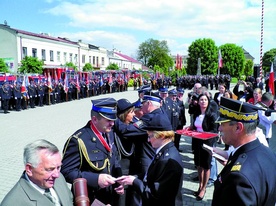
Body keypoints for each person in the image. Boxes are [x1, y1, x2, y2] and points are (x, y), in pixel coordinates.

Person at [212, 97, 276, 206]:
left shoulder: (239, 178)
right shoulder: (269, 154)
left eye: (222, 124)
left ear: (238, 127)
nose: (219, 129)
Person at [61, 97, 122, 205]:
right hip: (90, 198)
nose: (112, 124)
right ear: (94, 119)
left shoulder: (109, 132)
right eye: (108, 120)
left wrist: (119, 182)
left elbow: (114, 158)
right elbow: (66, 172)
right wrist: (96, 179)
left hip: (110, 196)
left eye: (113, 120)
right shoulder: (79, 140)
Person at [116, 113, 183, 206]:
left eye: (150, 136)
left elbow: (153, 194)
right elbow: (152, 175)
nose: (148, 140)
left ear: (162, 136)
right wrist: (133, 177)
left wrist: (134, 182)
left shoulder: (167, 160)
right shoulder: (164, 151)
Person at [1, 139, 73, 206]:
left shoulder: (59, 178)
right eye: (50, 169)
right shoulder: (12, 203)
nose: (57, 175)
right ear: (29, 169)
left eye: (58, 167)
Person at [191, 93, 218, 201]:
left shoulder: (212, 114)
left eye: (205, 100)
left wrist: (204, 135)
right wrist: (190, 129)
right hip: (197, 142)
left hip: (207, 143)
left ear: (208, 101)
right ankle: (200, 185)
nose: (203, 101)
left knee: (206, 165)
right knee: (198, 164)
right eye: (201, 100)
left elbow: (214, 131)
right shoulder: (197, 113)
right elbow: (195, 126)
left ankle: (204, 188)